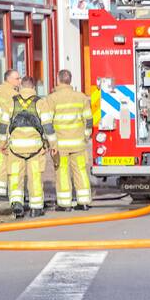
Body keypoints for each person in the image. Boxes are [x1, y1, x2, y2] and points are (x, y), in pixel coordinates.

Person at [0, 76, 51, 218]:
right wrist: (51, 145)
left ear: (20, 87)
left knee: (15, 176)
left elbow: (3, 126)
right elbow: (48, 127)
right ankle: (36, 208)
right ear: (33, 88)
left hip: (15, 148)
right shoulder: (41, 103)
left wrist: (2, 144)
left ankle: (17, 203)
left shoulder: (11, 102)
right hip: (35, 149)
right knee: (35, 177)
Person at [45, 69, 93, 211]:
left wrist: (52, 143)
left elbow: (47, 123)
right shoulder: (82, 97)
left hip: (61, 146)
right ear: (70, 80)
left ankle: (64, 204)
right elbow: (89, 120)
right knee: (81, 172)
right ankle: (84, 202)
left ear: (58, 80)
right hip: (78, 145)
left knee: (62, 173)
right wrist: (85, 137)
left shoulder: (52, 99)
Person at [0, 69, 22, 199]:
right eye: (17, 78)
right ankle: (3, 190)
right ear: (9, 79)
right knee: (9, 165)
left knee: (0, 162)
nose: (19, 81)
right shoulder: (13, 94)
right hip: (9, 135)